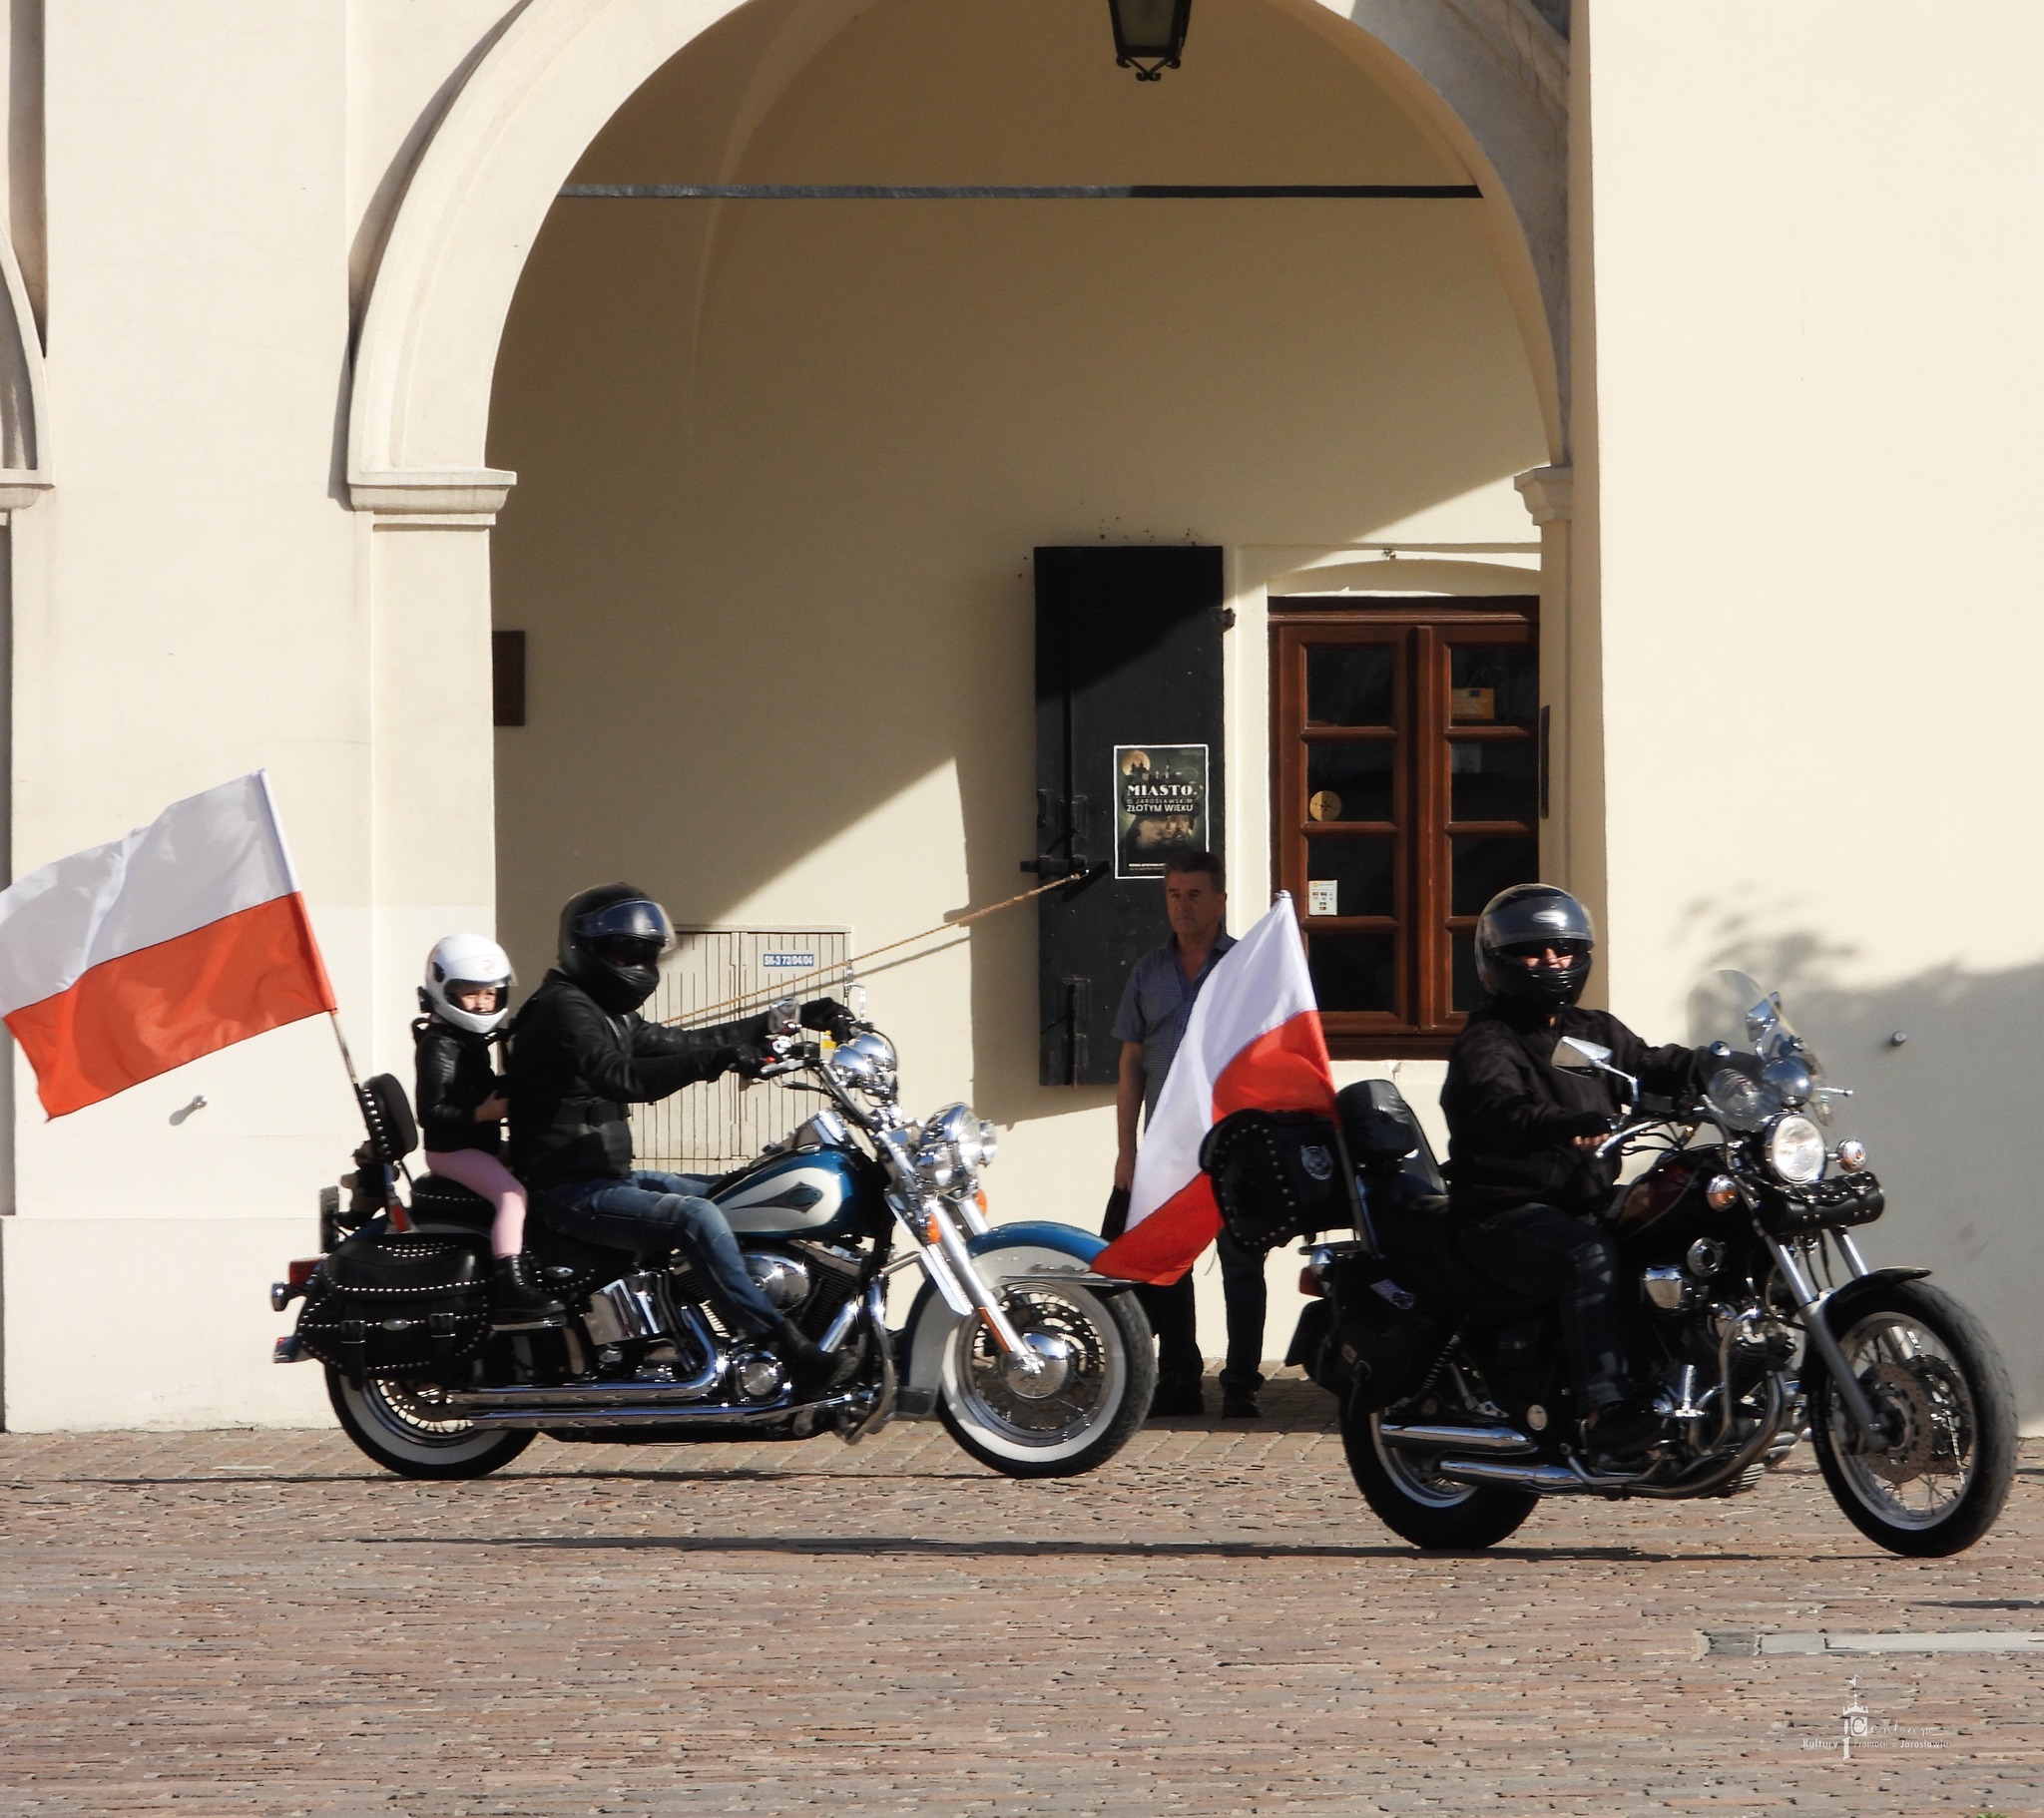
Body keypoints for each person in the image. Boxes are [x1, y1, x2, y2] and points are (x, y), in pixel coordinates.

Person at [507, 882, 855, 1396]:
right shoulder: (564, 1007)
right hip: (566, 1190)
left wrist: (791, 1017)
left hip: (606, 1177)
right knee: (695, 1216)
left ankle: (794, 1315)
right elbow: (619, 1077)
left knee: (737, 1191)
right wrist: (715, 1061)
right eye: (624, 953)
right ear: (583, 949)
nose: (637, 965)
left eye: (646, 954)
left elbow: (687, 1041)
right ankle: (787, 1348)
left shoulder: (606, 1010)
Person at [1439, 883, 1698, 1462]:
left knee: (1678, 1218)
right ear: (1498, 961)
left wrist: (1718, 1067)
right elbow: (1499, 1105)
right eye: (1533, 951)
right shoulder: (1488, 1040)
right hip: (1503, 1212)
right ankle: (1606, 1408)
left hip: (1585, 1200)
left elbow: (1650, 1064)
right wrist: (1562, 1122)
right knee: (1588, 1256)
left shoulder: (1594, 1030)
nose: (1552, 961)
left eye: (1563, 948)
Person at [1110, 848, 1269, 1420]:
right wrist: (1127, 1151)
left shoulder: (1245, 969)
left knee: (1241, 1263)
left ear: (1220, 900)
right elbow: (1131, 1061)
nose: (1183, 906)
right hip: (1168, 1145)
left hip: (1233, 1142)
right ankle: (1180, 1376)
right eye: (1174, 895)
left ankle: (1242, 1382)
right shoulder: (1148, 971)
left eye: (1195, 894)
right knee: (1168, 1264)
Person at [413, 932, 563, 1329]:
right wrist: (483, 1113)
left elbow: (476, 1085)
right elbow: (430, 1113)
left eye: (490, 993)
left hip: (479, 1145)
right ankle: (510, 1285)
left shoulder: (467, 1039)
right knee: (512, 1196)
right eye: (470, 994)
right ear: (445, 990)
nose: (481, 1003)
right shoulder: (438, 1045)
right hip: (452, 1152)